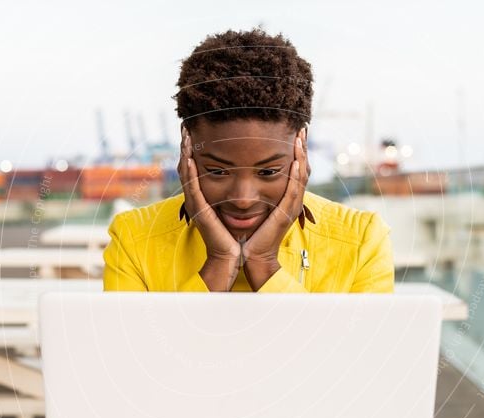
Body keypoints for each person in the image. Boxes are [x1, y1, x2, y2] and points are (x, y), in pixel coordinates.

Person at [103, 28, 393, 293]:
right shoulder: (134, 239)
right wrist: (219, 262)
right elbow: (136, 351)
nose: (243, 199)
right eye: (217, 171)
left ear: (300, 149)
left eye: (268, 171)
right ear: (187, 148)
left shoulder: (361, 240)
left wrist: (264, 264)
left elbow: (360, 352)